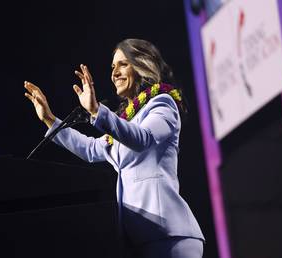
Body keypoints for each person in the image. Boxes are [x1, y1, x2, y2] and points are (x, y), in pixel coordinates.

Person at [24, 38, 205, 258]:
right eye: (112, 67)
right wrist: (50, 120)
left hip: (168, 235)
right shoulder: (123, 124)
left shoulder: (163, 103)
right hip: (137, 239)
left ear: (142, 65)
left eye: (123, 64)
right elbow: (91, 149)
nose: (114, 73)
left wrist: (97, 111)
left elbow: (142, 138)